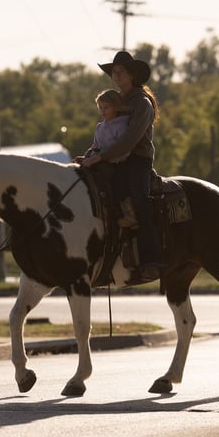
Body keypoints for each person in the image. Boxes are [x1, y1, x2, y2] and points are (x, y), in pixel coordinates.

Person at [80, 51, 162, 282]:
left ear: (132, 75)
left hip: (137, 160)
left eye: (120, 72)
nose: (115, 75)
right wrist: (89, 156)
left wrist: (99, 158)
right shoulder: (115, 100)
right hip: (110, 158)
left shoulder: (142, 103)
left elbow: (129, 140)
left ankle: (151, 259)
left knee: (140, 200)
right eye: (113, 72)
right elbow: (104, 134)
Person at [78, 89, 137, 228]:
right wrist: (87, 157)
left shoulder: (121, 125)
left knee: (119, 183)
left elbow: (122, 148)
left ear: (116, 107)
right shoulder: (100, 127)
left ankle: (130, 214)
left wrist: (102, 157)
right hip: (100, 161)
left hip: (117, 162)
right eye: (100, 108)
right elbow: (96, 146)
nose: (103, 111)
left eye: (106, 108)